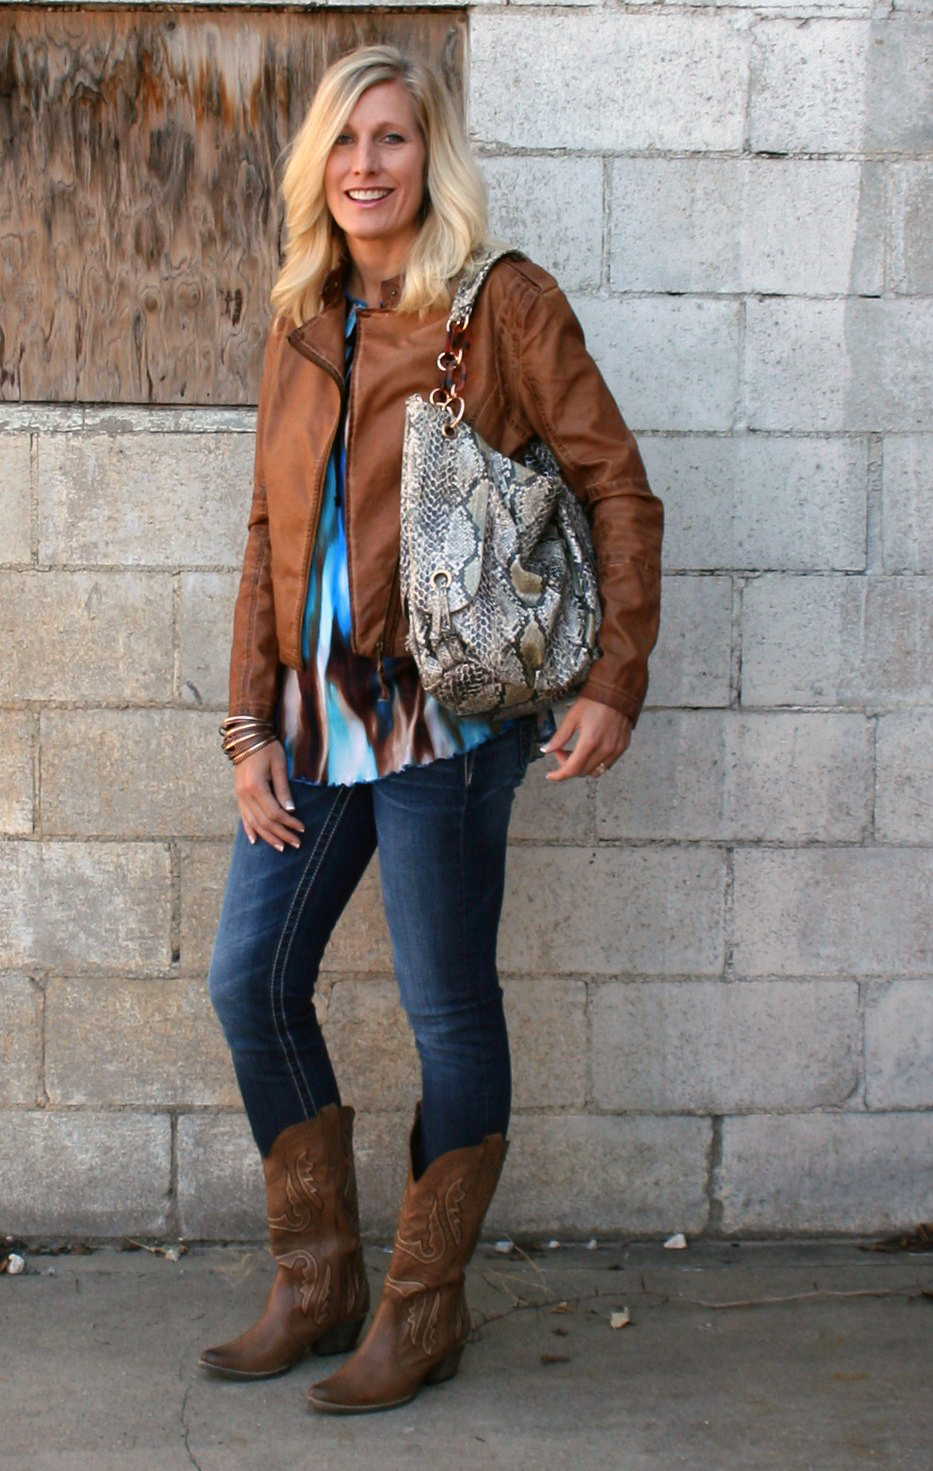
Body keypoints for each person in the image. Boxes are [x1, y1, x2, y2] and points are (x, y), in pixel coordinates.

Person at [199, 43, 663, 1414]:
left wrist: (614, 677)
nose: (366, 165)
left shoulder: (501, 304)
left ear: (428, 155)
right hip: (314, 722)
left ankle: (422, 1309)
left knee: (446, 1010)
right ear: (317, 167)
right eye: (344, 142)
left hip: (445, 722)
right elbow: (268, 534)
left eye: (391, 138)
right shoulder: (301, 316)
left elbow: (617, 488)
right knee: (249, 983)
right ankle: (316, 1281)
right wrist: (247, 726)